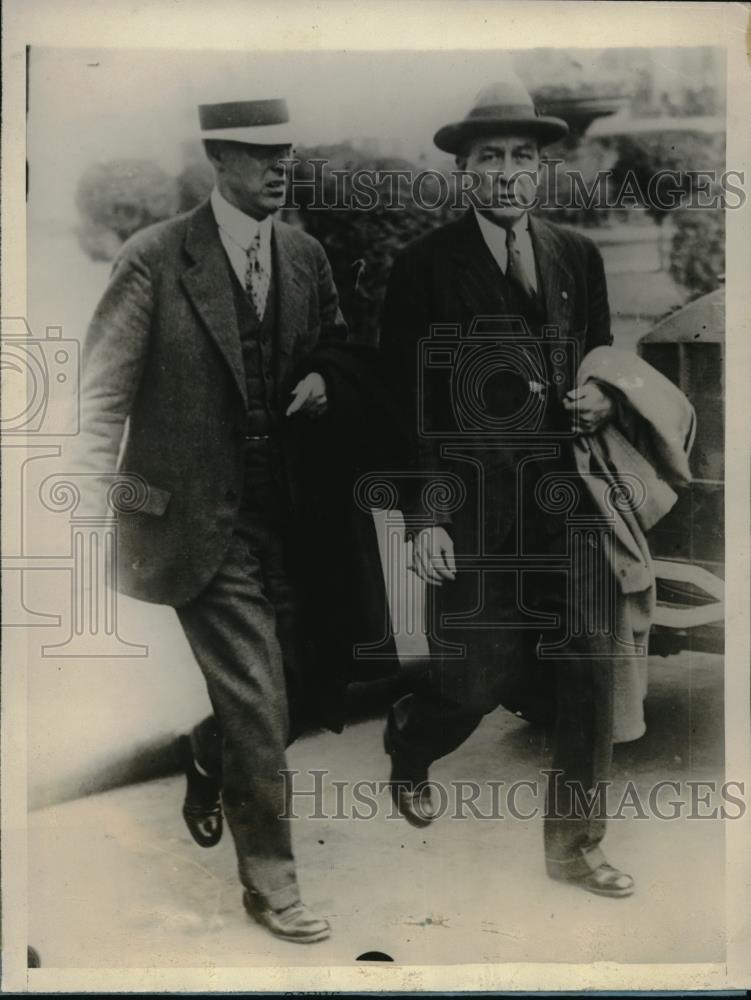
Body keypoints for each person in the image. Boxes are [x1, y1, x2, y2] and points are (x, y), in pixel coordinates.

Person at [77, 96, 344, 942]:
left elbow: (338, 344)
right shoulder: (153, 259)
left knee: (309, 688)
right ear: (217, 159)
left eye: (287, 153)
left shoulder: (304, 256)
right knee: (260, 703)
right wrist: (89, 509)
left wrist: (328, 378)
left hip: (289, 517)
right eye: (261, 155)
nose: (280, 167)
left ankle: (204, 753)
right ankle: (273, 885)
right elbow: (100, 399)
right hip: (197, 524)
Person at [379, 77, 635, 898]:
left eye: (522, 158)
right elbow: (404, 404)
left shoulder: (576, 255)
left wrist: (601, 395)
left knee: (589, 662)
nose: (506, 173)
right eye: (488, 158)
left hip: (566, 499)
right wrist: (427, 515)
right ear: (464, 170)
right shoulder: (421, 268)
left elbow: (600, 353)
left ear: (540, 169)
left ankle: (574, 848)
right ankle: (414, 737)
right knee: (476, 679)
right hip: (472, 503)